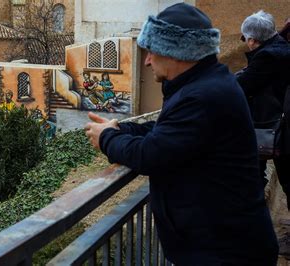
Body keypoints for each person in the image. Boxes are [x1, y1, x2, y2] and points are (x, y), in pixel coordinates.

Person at [85, 3, 278, 265]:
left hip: (225, 252)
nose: (147, 59)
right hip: (224, 244)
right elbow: (167, 131)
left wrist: (106, 138)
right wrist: (120, 128)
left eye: (152, 50)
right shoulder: (205, 85)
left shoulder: (202, 96)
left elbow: (149, 154)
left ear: (177, 52)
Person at [236, 11, 290, 207]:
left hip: (278, 129)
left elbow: (243, 84)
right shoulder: (281, 48)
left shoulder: (268, 57)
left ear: (252, 40)